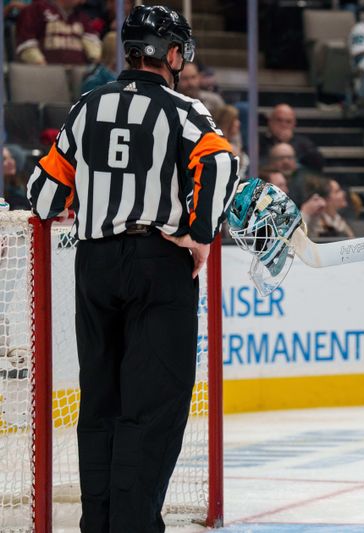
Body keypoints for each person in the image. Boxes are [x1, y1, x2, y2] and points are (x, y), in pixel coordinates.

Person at [25, 6, 238, 531]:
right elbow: (221, 163)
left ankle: (97, 524)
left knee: (99, 402)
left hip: (94, 263)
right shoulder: (183, 109)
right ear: (170, 54)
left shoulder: (85, 106)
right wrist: (200, 232)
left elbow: (43, 196)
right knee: (153, 406)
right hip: (157, 262)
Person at [15, 0, 101, 64]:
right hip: (44, 75)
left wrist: (96, 64)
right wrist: (41, 65)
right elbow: (26, 44)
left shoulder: (82, 17)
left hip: (80, 75)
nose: (83, 1)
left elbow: (93, 45)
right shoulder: (35, 10)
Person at [261, 103, 324, 173]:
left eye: (288, 122)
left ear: (294, 124)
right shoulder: (259, 142)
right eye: (279, 120)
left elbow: (318, 164)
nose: (283, 125)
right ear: (270, 122)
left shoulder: (303, 143)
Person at [213, 104, 249, 179]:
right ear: (227, 122)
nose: (239, 123)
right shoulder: (218, 145)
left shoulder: (235, 142)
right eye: (235, 119)